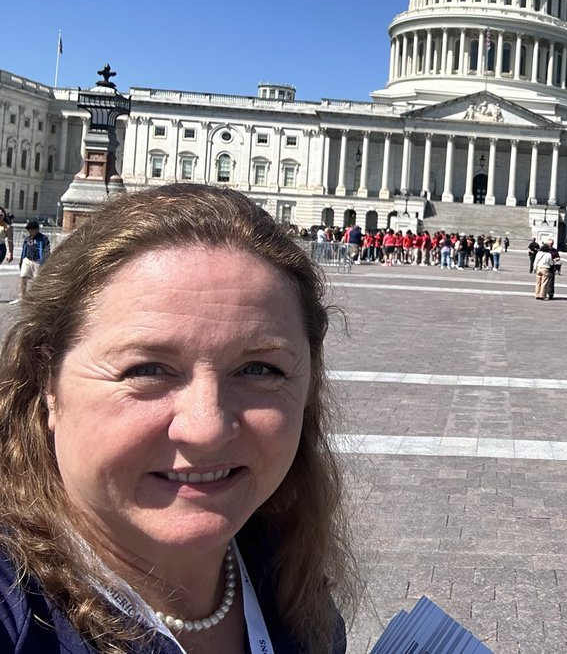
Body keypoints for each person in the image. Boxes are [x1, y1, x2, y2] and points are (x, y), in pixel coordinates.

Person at [0, 183, 357, 653]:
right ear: (48, 382)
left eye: (259, 369)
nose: (207, 428)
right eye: (147, 370)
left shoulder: (288, 578)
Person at [15, 219, 50, 304]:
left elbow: (47, 251)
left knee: (36, 280)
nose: (30, 231)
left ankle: (35, 298)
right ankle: (22, 297)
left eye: (32, 229)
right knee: (23, 276)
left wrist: (46, 262)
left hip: (38, 261)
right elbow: (24, 250)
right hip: (27, 259)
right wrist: (21, 261)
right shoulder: (27, 239)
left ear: (37, 229)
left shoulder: (43, 238)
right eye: (29, 230)